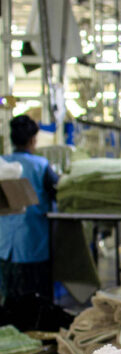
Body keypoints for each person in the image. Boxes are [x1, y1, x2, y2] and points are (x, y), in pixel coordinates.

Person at [0, 115, 60, 304]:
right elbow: (58, 192)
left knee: (10, 301)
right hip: (32, 244)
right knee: (36, 302)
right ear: (33, 140)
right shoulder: (40, 165)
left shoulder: (2, 163)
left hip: (5, 245)